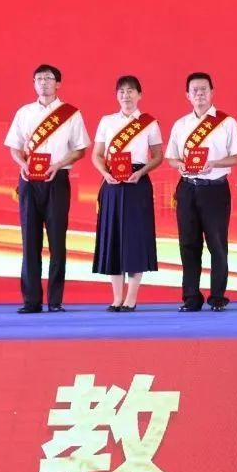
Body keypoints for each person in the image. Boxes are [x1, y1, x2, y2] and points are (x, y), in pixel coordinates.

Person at [4, 63, 89, 314]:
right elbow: (15, 147)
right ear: (34, 83)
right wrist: (22, 164)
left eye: (48, 78)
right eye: (39, 79)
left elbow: (80, 149)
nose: (43, 82)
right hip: (29, 180)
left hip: (57, 178)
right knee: (30, 240)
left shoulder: (71, 113)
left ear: (58, 83)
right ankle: (31, 300)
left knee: (57, 242)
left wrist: (58, 164)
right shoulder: (24, 112)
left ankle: (55, 300)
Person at [164, 72, 237, 312]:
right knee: (188, 243)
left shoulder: (227, 123)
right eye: (195, 90)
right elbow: (171, 157)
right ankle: (191, 297)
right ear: (187, 95)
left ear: (212, 92)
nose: (199, 94)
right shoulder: (181, 124)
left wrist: (215, 164)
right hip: (188, 188)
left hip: (215, 189)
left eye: (203, 89)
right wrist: (179, 165)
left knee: (217, 244)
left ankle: (217, 296)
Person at [90, 75, 163, 312]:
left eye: (131, 91)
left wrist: (141, 172)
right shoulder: (107, 121)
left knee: (135, 238)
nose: (126, 95)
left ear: (139, 95)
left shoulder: (149, 123)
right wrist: (105, 173)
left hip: (137, 182)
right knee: (113, 237)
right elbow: (97, 154)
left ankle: (131, 297)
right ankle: (116, 297)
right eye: (121, 91)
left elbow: (158, 156)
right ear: (116, 95)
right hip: (112, 182)